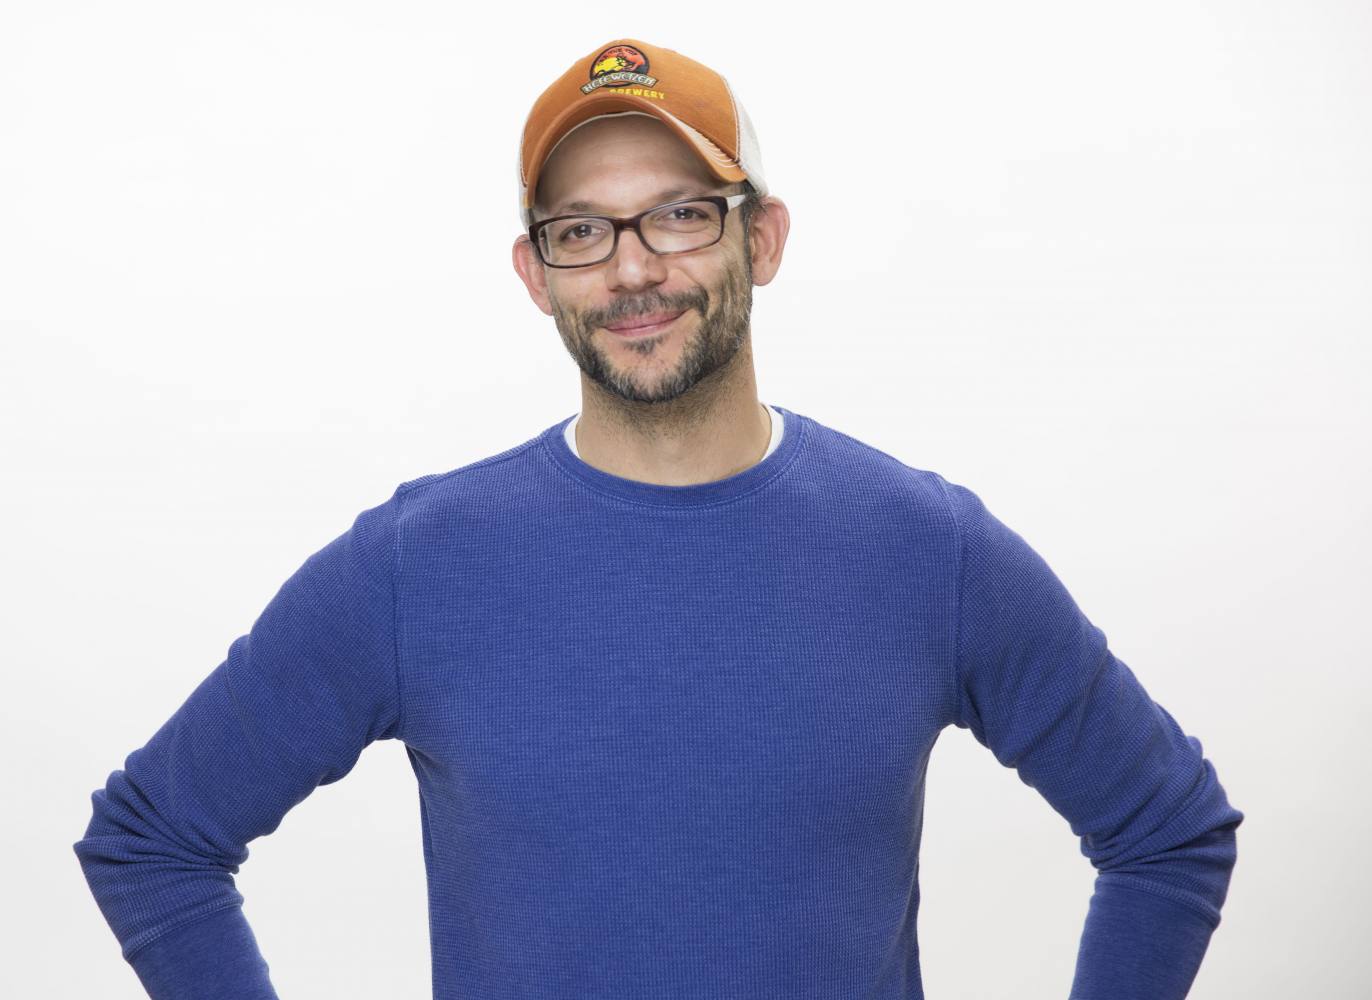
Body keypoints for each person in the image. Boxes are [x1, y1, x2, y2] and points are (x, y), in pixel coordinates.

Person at [73, 37, 1244, 1000]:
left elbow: (1167, 830)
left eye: (680, 214)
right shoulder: (416, 564)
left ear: (760, 238)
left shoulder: (925, 550)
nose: (632, 270)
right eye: (582, 230)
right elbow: (152, 839)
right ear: (536, 274)